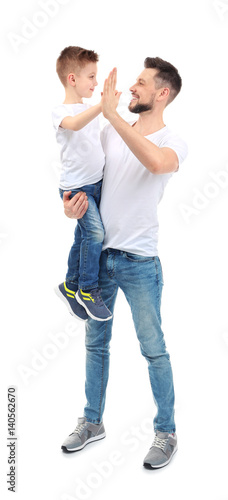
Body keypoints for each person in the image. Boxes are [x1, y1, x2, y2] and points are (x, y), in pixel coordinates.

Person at [61, 58, 188, 469]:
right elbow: (86, 181)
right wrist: (71, 207)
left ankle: (166, 432)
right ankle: (92, 421)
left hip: (140, 265)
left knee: (154, 350)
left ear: (162, 93)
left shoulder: (173, 140)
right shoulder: (108, 132)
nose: (132, 88)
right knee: (96, 345)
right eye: (134, 81)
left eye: (141, 83)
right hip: (99, 261)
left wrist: (113, 117)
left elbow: (155, 164)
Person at [52, 46, 112, 322]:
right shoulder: (61, 111)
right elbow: (74, 125)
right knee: (96, 235)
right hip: (77, 189)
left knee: (83, 237)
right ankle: (88, 289)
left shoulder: (88, 110)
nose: (95, 83)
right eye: (91, 77)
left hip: (96, 185)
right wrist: (103, 106)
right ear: (72, 79)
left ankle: (70, 285)